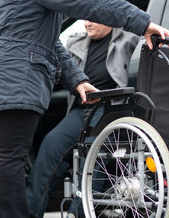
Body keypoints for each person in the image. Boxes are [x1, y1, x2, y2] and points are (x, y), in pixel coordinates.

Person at [0, 0, 169, 217]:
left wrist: (77, 80)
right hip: (17, 77)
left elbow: (49, 41)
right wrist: (143, 23)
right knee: (11, 158)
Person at [26, 20, 139, 217]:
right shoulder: (75, 43)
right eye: (84, 19)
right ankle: (28, 212)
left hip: (110, 110)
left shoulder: (129, 39)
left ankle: (77, 213)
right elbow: (59, 71)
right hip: (82, 110)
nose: (87, 23)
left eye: (92, 18)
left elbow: (145, 42)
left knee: (92, 153)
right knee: (51, 144)